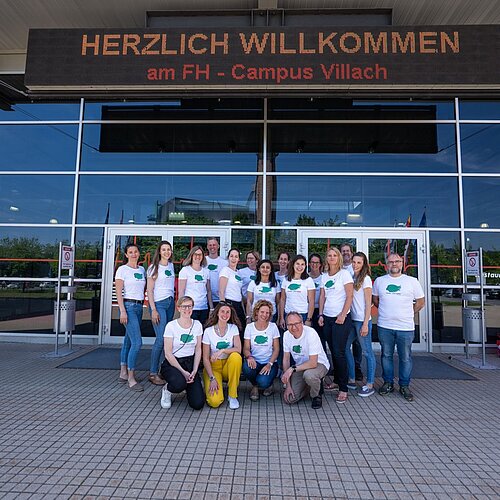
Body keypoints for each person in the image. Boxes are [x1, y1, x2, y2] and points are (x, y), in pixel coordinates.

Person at [373, 253, 425, 402]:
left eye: (397, 261)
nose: (394, 264)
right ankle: (388, 383)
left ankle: (404, 385)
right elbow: (376, 300)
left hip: (406, 327)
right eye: (391, 262)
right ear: (386, 264)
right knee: (386, 356)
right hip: (385, 326)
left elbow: (421, 302)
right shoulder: (380, 281)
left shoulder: (412, 281)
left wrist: (408, 313)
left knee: (405, 357)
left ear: (402, 263)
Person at [318, 247, 354, 404]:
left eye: (334, 255)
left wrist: (343, 314)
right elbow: (322, 298)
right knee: (332, 351)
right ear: (326, 259)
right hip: (327, 318)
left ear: (338, 258)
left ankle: (343, 388)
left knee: (339, 352)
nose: (332, 258)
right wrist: (320, 315)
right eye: (329, 256)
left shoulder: (344, 274)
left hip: (341, 319)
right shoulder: (324, 276)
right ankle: (337, 381)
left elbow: (350, 296)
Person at [159, 296, 204, 410]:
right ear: (178, 308)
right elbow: (168, 353)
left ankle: (187, 386)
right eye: (184, 306)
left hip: (190, 363)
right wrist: (183, 372)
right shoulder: (171, 326)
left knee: (197, 404)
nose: (187, 309)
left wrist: (194, 370)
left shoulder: (197, 325)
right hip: (173, 363)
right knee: (179, 383)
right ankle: (167, 390)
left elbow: (198, 349)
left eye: (189, 306)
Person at [281, 312, 330, 409]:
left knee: (309, 375)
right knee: (290, 399)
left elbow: (313, 363)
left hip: (318, 364)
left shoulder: (311, 333)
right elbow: (286, 359)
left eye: (297, 323)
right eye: (290, 324)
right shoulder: (286, 335)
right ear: (286, 326)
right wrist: (288, 385)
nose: (294, 327)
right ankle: (312, 385)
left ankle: (316, 395)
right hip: (301, 367)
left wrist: (291, 369)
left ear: (302, 323)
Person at [115, 243, 146, 391]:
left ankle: (123, 372)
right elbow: (119, 292)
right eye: (130, 252)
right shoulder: (122, 270)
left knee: (128, 340)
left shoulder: (142, 269)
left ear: (139, 253)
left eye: (135, 251)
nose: (133, 254)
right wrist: (122, 311)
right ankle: (131, 377)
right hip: (128, 307)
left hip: (139, 307)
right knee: (137, 342)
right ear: (126, 255)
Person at [345, 252, 377, 397]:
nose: (355, 265)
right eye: (354, 262)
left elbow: (368, 303)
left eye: (359, 262)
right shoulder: (351, 276)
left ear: (364, 264)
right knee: (345, 348)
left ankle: (370, 384)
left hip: (362, 321)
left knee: (367, 352)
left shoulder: (366, 279)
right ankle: (351, 379)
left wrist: (365, 324)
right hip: (352, 320)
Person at [202, 302, 243, 409]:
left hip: (227, 366)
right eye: (222, 311)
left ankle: (232, 395)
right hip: (213, 367)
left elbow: (238, 349)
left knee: (236, 357)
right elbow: (205, 358)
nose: (225, 314)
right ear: (217, 313)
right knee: (214, 402)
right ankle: (213, 383)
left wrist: (222, 350)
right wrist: (212, 378)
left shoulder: (233, 328)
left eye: (228, 312)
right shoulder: (208, 331)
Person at [146, 240, 175, 386]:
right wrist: (153, 310)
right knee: (161, 339)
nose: (166, 252)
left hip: (170, 303)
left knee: (168, 338)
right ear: (159, 251)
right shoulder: (153, 268)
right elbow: (149, 290)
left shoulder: (171, 266)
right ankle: (152, 373)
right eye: (164, 249)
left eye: (168, 249)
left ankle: (165, 370)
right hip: (159, 304)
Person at [242, 300, 280, 401]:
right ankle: (255, 386)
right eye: (262, 312)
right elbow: (246, 348)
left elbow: (276, 349)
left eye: (267, 312)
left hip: (269, 362)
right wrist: (249, 357)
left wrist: (269, 364)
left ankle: (267, 384)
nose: (265, 315)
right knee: (246, 367)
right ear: (257, 312)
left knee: (263, 381)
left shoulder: (273, 327)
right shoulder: (249, 327)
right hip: (255, 361)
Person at [340, 242, 364, 382]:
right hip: (343, 310)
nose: (345, 253)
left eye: (347, 251)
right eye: (343, 251)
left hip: (357, 312)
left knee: (357, 343)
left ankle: (357, 367)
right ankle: (345, 367)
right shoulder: (338, 268)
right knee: (345, 342)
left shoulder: (356, 268)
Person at [178, 245, 213, 324]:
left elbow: (209, 291)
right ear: (191, 255)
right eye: (195, 254)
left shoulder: (206, 271)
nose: (198, 256)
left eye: (200, 254)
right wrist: (181, 308)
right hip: (190, 308)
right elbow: (181, 291)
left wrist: (211, 308)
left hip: (203, 307)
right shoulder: (185, 270)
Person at [279, 254, 315, 329]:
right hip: (288, 314)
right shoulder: (286, 279)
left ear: (305, 266)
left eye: (302, 264)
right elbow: (282, 299)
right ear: (293, 265)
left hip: (302, 315)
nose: (300, 267)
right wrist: (281, 317)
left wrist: (309, 319)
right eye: (297, 264)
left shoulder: (308, 280)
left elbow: (311, 301)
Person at [219, 248, 246, 335]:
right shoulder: (225, 271)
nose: (233, 258)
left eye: (236, 256)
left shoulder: (238, 273)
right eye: (231, 256)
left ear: (238, 259)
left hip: (238, 304)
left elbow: (239, 292)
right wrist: (223, 307)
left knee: (241, 328)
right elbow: (221, 291)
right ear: (228, 258)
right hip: (229, 303)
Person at [205, 237, 228, 307]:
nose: (212, 247)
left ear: (218, 246)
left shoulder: (225, 263)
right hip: (205, 299)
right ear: (207, 246)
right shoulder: (203, 261)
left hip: (220, 298)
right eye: (210, 245)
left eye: (214, 245)